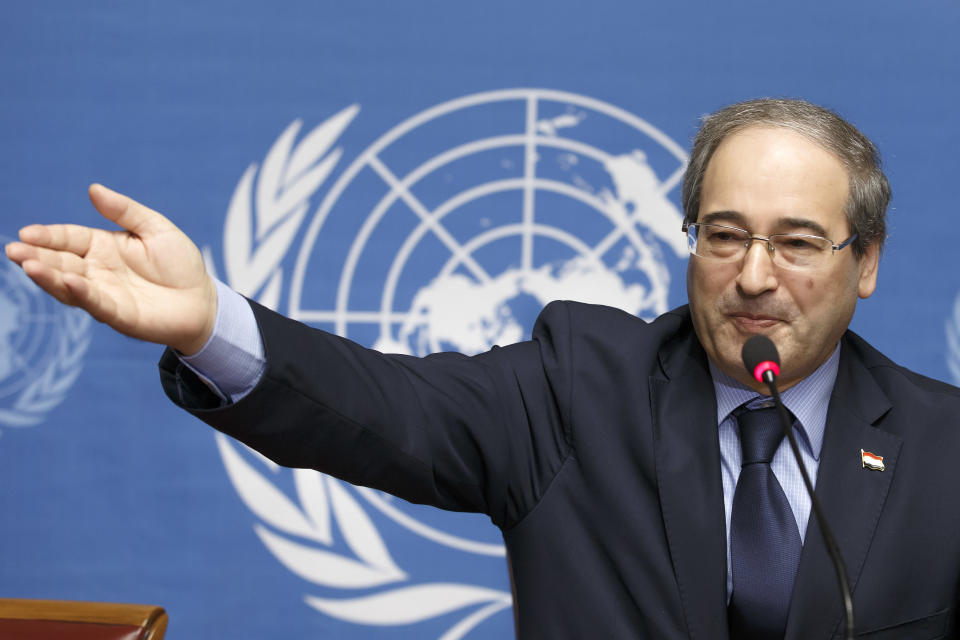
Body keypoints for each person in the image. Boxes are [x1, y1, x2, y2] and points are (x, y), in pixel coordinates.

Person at [6, 98, 960, 639]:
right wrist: (210, 322)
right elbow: (389, 409)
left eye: (797, 243)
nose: (754, 276)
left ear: (865, 261)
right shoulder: (579, 386)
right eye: (723, 235)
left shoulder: (944, 446)